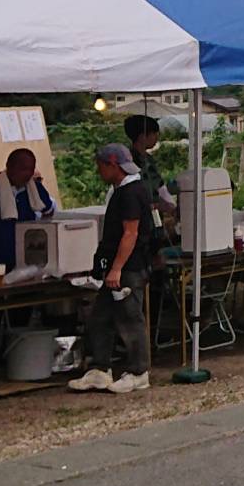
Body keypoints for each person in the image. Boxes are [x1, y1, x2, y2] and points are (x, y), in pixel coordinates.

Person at [68, 144, 153, 395]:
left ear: (112, 165)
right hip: (116, 266)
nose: (99, 171)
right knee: (101, 317)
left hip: (129, 267)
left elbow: (130, 233)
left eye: (100, 166)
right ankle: (100, 368)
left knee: (130, 318)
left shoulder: (130, 192)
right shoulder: (123, 191)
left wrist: (116, 268)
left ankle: (138, 371)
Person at [0, 148, 55, 269]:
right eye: (23, 169)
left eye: (31, 169)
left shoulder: (36, 189)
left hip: (27, 260)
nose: (28, 174)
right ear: (9, 166)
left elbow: (49, 212)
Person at [124, 115, 176, 225]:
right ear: (143, 136)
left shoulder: (149, 159)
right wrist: (158, 204)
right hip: (138, 219)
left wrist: (170, 205)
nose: (157, 137)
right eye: (154, 133)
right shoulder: (128, 161)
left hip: (154, 219)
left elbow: (160, 186)